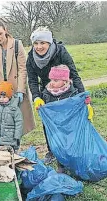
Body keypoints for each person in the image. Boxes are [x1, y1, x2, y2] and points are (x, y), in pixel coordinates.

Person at [26, 26, 91, 164]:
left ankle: (72, 147)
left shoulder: (60, 52)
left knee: (67, 121)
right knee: (48, 122)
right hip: (46, 92)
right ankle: (52, 150)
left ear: (49, 43)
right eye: (36, 43)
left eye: (42, 43)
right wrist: (37, 97)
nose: (39, 47)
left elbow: (74, 74)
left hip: (66, 90)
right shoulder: (31, 57)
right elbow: (32, 80)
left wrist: (84, 97)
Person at [0, 19, 35, 134]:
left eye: (0, 34)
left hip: (16, 88)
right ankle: (7, 148)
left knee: (18, 123)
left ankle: (17, 147)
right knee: (3, 123)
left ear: (5, 31)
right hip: (1, 90)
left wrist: (21, 90)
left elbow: (23, 69)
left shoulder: (17, 44)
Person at [41, 65, 93, 173]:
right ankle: (61, 166)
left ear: (65, 81)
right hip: (56, 127)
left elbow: (79, 102)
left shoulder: (72, 93)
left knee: (70, 145)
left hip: (69, 127)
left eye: (55, 80)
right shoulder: (47, 92)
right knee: (59, 145)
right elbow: (45, 105)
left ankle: (75, 164)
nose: (52, 82)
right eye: (51, 79)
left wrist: (86, 103)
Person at [0, 81, 23, 151]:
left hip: (10, 138)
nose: (1, 99)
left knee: (10, 153)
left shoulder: (14, 109)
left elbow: (19, 123)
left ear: (9, 96)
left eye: (4, 97)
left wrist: (17, 136)